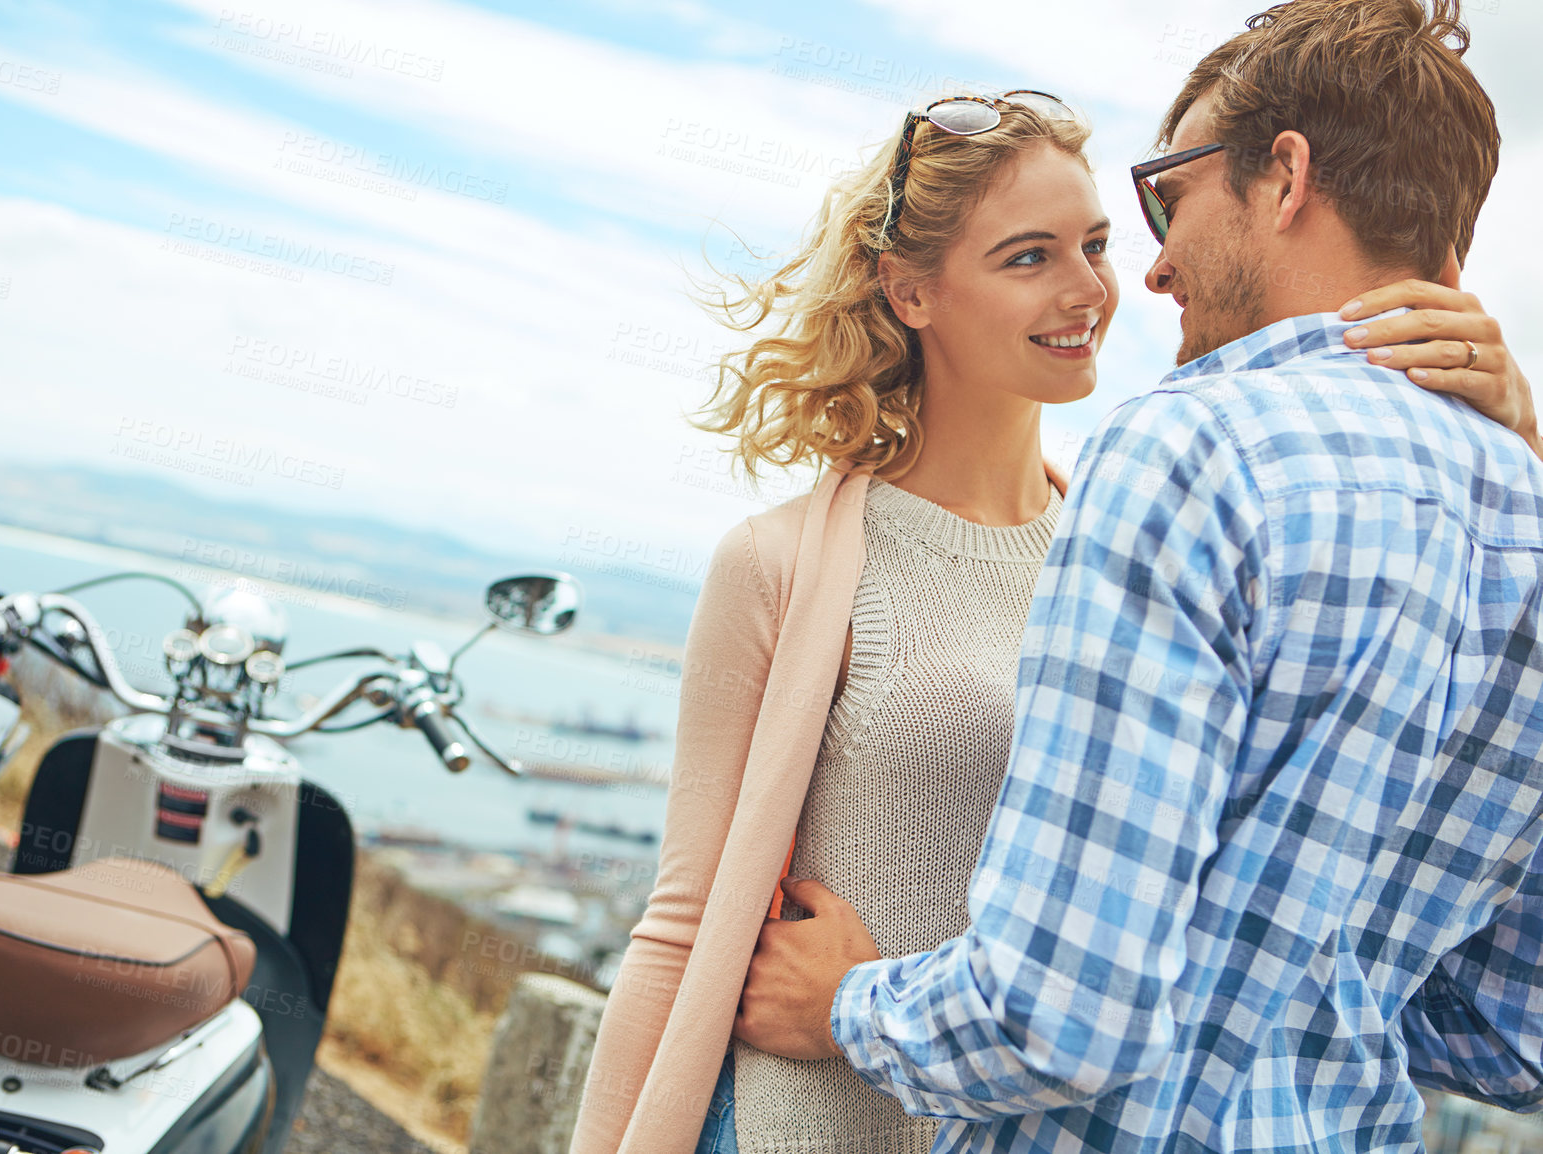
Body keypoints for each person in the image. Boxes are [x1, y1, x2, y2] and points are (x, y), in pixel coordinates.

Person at [569, 1, 1535, 1149]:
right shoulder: (1516, 507)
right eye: (1032, 254)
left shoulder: (1180, 466)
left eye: (1137, 219)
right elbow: (1505, 1027)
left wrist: (851, 1001)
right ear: (908, 289)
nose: (1141, 272)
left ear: (1286, 177)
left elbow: (1069, 1010)